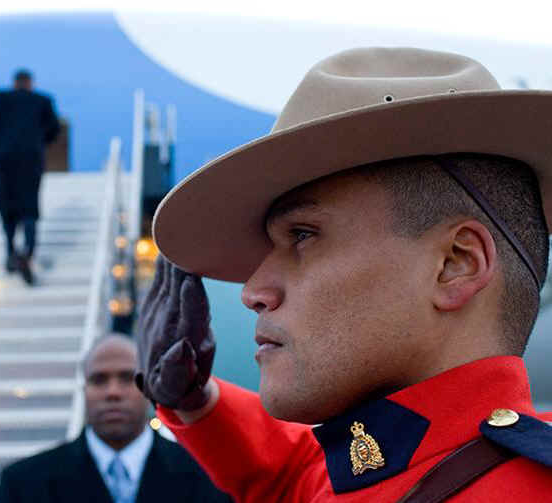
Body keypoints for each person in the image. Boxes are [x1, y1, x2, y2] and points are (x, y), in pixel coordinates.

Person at [134, 47, 552, 502]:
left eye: (303, 235)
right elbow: (296, 472)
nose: (253, 291)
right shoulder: (380, 466)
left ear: (456, 264)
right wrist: (196, 403)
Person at [0, 333, 232, 503]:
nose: (113, 392)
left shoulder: (206, 476)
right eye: (99, 380)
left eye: (128, 378)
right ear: (84, 391)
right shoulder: (23, 484)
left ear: (149, 387)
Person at [0, 69, 60, 285]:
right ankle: (28, 252)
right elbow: (53, 130)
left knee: (5, 205)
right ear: (30, 83)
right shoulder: (43, 101)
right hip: (30, 159)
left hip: (4, 160)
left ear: (14, 82)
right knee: (29, 207)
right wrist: (36, 140)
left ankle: (10, 251)